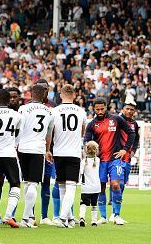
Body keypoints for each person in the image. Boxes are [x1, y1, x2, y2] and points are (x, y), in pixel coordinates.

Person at [84, 98, 135, 225]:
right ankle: (103, 217)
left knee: (116, 184)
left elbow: (131, 133)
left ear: (106, 107)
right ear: (93, 109)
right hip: (100, 161)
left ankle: (117, 215)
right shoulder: (91, 124)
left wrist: (125, 149)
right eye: (97, 109)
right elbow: (86, 141)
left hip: (115, 159)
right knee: (101, 187)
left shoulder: (116, 119)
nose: (100, 111)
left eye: (102, 109)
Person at [48, 84, 87, 228]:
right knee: (71, 187)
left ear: (61, 95)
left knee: (62, 186)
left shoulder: (54, 111)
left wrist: (48, 149)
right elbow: (82, 132)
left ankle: (68, 218)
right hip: (73, 152)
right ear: (74, 95)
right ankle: (64, 218)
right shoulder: (81, 111)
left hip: (58, 152)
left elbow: (50, 132)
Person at [17, 84, 53, 228]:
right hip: (38, 149)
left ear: (32, 94)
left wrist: (17, 144)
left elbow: (18, 129)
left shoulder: (23, 108)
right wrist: (47, 149)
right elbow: (49, 134)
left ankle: (29, 216)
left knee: (26, 182)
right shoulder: (49, 112)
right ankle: (26, 218)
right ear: (43, 95)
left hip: (23, 148)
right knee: (33, 183)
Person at [0, 88, 23, 228]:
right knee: (15, 184)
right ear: (9, 100)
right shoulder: (17, 115)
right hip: (9, 153)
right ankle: (8, 216)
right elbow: (18, 137)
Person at [36, 78, 59, 226]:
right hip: (33, 149)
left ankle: (44, 216)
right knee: (31, 183)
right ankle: (29, 215)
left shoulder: (54, 106)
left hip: (49, 150)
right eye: (41, 88)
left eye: (46, 88)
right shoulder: (29, 105)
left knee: (46, 181)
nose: (44, 91)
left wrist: (49, 148)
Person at [116, 97, 140, 223]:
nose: (130, 111)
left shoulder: (135, 124)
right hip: (117, 156)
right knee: (118, 183)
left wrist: (134, 151)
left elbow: (136, 139)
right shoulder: (117, 120)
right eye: (127, 109)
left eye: (132, 109)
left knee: (123, 184)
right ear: (123, 109)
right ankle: (114, 214)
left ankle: (115, 209)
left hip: (128, 158)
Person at [79, 141, 101, 227]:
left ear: (86, 150)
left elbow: (81, 173)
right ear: (96, 150)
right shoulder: (98, 160)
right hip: (96, 187)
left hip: (86, 188)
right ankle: (94, 221)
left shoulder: (83, 162)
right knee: (94, 204)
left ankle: (82, 218)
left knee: (83, 204)